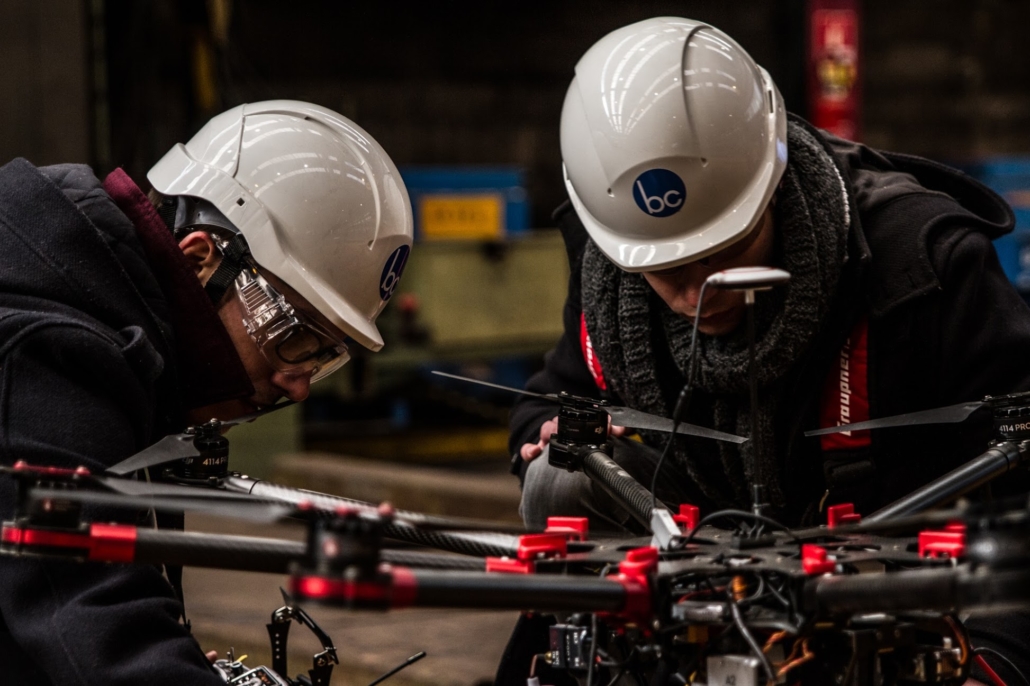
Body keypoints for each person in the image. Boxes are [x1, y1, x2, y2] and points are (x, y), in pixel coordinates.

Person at [507, 17, 1030, 684]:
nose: (698, 293)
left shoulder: (921, 270)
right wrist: (548, 437)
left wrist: (991, 659)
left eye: (723, 253)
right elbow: (549, 398)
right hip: (689, 605)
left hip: (904, 612)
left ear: (770, 187)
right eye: (669, 271)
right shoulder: (609, 279)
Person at [0, 100, 413, 685]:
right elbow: (92, 612)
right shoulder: (48, 353)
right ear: (200, 260)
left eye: (323, 359)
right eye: (293, 337)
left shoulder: (119, 329)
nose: (297, 386)